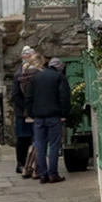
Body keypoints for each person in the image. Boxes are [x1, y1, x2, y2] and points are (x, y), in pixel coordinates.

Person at [27, 55, 71, 184]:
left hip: (38, 117)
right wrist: (64, 113)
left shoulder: (35, 78)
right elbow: (64, 97)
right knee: (54, 145)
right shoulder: (59, 77)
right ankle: (53, 174)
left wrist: (31, 113)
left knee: (40, 145)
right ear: (59, 68)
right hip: (54, 116)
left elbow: (28, 98)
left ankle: (43, 174)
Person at [9, 46, 43, 178]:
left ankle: (31, 164)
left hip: (30, 111)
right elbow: (15, 95)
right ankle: (21, 164)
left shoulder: (31, 72)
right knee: (23, 139)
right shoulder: (19, 74)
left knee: (33, 138)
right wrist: (27, 107)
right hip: (23, 113)